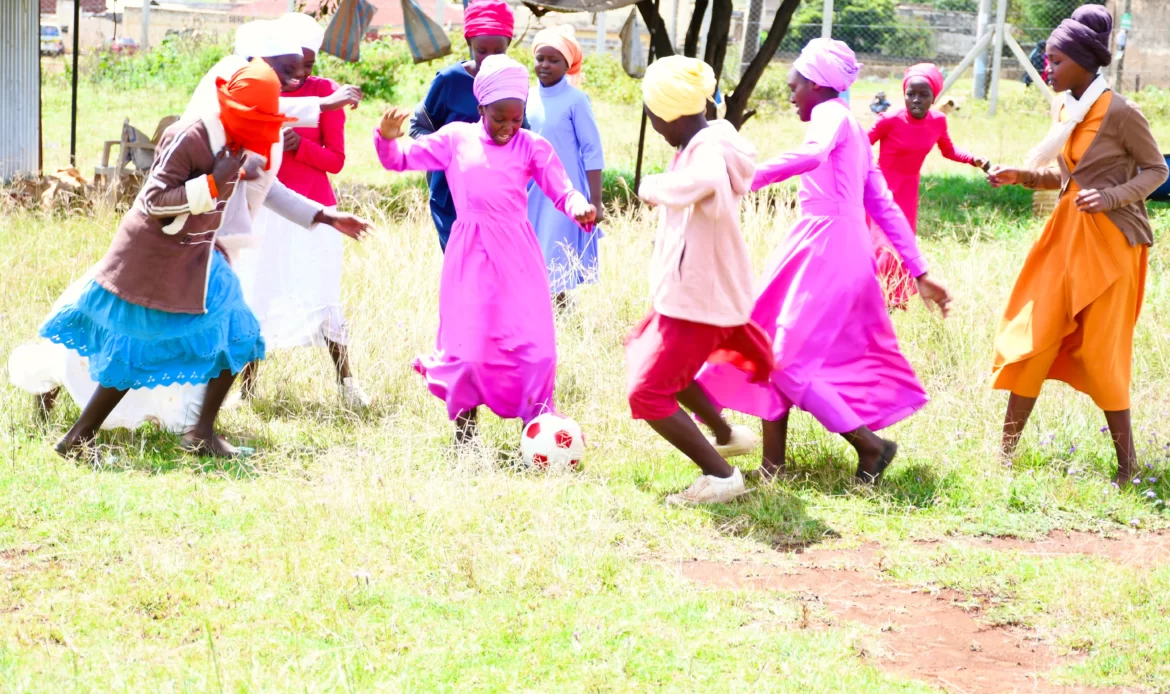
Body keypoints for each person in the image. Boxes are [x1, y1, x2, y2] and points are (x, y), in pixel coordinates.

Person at [25, 62, 362, 459]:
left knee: (242, 334)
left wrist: (324, 215)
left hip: (202, 254)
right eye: (260, 120)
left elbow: (267, 188)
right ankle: (77, 438)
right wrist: (214, 182)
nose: (265, 131)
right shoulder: (188, 135)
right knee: (133, 348)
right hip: (155, 252)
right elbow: (154, 201)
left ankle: (200, 431)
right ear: (235, 110)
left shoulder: (243, 140)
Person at [696, 39, 953, 483]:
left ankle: (871, 446)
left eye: (795, 85)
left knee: (782, 359)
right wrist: (920, 271)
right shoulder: (851, 126)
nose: (791, 93)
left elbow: (812, 155)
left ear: (815, 84)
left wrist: (745, 177)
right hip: (826, 244)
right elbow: (885, 205)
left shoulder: (829, 115)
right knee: (767, 343)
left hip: (827, 247)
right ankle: (773, 467)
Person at [987, 5, 1167, 484]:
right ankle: (1003, 461)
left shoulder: (1122, 112)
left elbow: (1157, 171)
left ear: (1086, 62)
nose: (1048, 68)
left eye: (1057, 60)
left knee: (1102, 353)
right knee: (1035, 337)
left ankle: (1128, 469)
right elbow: (1068, 178)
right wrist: (1022, 175)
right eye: (1047, 58)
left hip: (1112, 246)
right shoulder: (1067, 108)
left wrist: (1111, 196)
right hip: (1065, 239)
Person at [374, 56, 596, 442]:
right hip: (470, 255)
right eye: (500, 118)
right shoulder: (455, 138)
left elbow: (561, 188)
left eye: (517, 117)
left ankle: (537, 429)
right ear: (480, 108)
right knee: (470, 346)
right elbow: (403, 161)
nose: (510, 127)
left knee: (533, 347)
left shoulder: (531, 146)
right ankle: (466, 437)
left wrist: (579, 206)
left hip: (519, 257)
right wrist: (387, 139)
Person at [626, 56, 774, 505]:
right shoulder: (710, 138)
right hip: (689, 294)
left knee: (646, 393)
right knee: (644, 352)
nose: (653, 126)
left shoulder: (706, 152)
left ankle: (722, 475)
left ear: (670, 111)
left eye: (652, 115)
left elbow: (705, 179)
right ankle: (726, 433)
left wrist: (652, 186)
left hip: (697, 299)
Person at [234, 13, 371, 409]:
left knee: (323, 295)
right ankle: (246, 389)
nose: (300, 74)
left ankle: (347, 382)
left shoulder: (327, 91)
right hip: (265, 207)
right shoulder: (260, 90)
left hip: (316, 211)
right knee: (255, 292)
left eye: (308, 65)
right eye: (293, 65)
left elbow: (336, 160)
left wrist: (299, 147)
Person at [868, 63, 989, 307]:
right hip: (882, 192)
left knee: (902, 247)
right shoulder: (890, 119)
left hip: (908, 192)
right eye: (910, 94)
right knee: (884, 248)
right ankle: (873, 299)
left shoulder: (938, 121)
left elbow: (949, 150)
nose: (916, 100)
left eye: (924, 95)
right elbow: (861, 143)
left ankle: (891, 303)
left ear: (934, 97)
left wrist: (973, 159)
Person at [410, 0, 517, 252]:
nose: (489, 60)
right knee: (461, 260)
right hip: (451, 196)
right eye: (481, 51)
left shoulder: (512, 81)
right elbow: (419, 127)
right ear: (469, 45)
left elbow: (523, 134)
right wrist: (448, 152)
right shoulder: (449, 81)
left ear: (509, 47)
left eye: (498, 52)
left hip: (497, 195)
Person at [526, 25, 605, 304]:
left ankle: (559, 315)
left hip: (564, 192)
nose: (545, 65)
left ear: (567, 65)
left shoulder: (576, 100)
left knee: (555, 254)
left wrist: (596, 199)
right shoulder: (525, 96)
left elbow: (592, 151)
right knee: (529, 252)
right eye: (540, 58)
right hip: (529, 190)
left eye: (553, 60)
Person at [184, 19, 362, 130]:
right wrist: (324, 103)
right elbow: (260, 108)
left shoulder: (255, 74)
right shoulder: (234, 70)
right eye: (286, 68)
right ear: (260, 58)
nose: (297, 74)